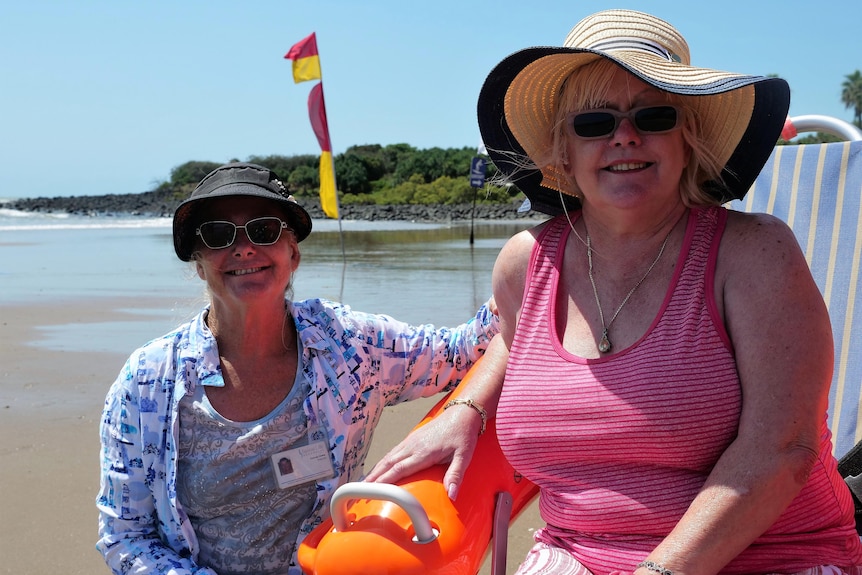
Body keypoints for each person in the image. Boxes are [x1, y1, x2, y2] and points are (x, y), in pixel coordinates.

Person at [374, 8, 862, 575]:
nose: (624, 136)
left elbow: (784, 451)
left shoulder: (754, 254)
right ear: (562, 151)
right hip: (575, 553)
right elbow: (516, 339)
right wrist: (466, 405)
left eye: (653, 116)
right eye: (593, 123)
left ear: (688, 138)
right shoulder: (525, 263)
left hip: (765, 558)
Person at [95, 162, 505, 575]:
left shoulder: (348, 344)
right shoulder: (148, 381)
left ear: (293, 253)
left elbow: (463, 350)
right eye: (219, 234)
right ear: (199, 264)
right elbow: (125, 536)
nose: (244, 248)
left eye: (264, 229)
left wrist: (531, 259)